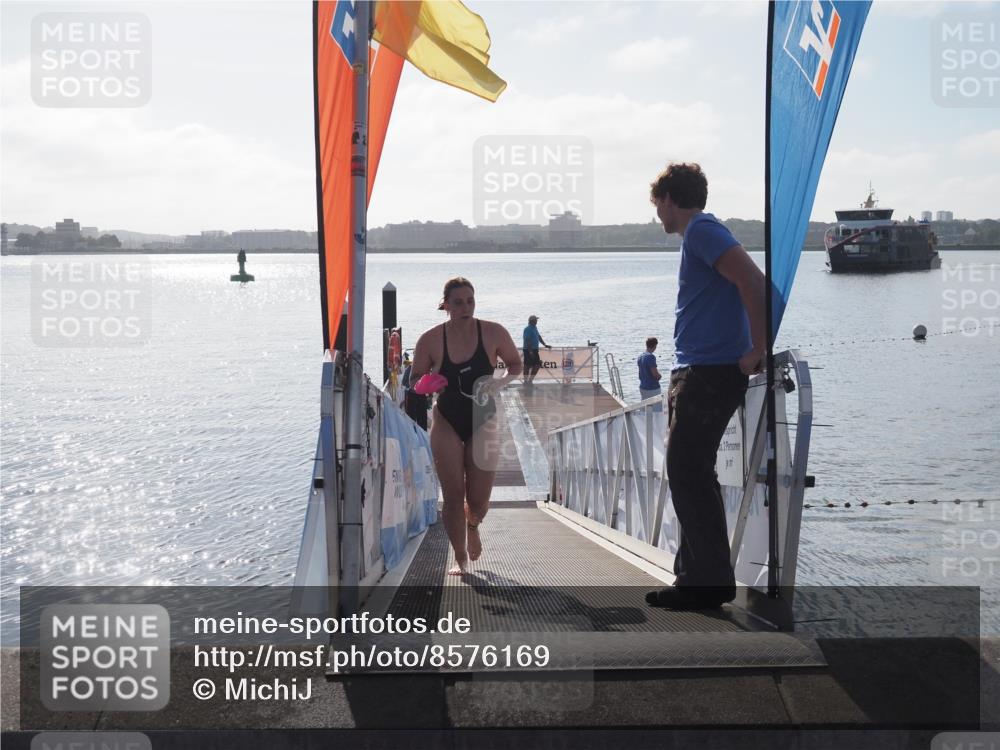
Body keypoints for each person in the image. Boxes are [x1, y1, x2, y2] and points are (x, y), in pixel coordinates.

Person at [645, 162, 766, 611]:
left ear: (671, 198)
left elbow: (753, 281)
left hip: (710, 372)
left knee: (688, 472)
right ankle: (697, 578)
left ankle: (705, 582)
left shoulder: (702, 231)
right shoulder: (700, 234)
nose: (657, 213)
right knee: (691, 474)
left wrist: (758, 347)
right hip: (697, 370)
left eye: (658, 203)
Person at [411, 277, 523, 575]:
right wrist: (427, 384)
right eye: (458, 302)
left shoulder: (493, 332)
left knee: (479, 500)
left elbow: (515, 364)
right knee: (452, 493)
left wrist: (499, 383)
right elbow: (414, 380)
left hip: (482, 418)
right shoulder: (431, 339)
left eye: (470, 301)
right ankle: (459, 557)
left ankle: (472, 525)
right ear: (445, 305)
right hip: (446, 419)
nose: (466, 307)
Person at [521, 315, 551, 385]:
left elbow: (538, 336)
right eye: (535, 320)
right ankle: (525, 381)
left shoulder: (535, 328)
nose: (537, 321)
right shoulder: (527, 329)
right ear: (531, 321)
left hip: (535, 350)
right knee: (527, 366)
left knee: (537, 365)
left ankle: (530, 381)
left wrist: (544, 344)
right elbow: (527, 340)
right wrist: (530, 351)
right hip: (528, 350)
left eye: (536, 320)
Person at [637, 337, 663, 401]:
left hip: (643, 387)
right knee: (657, 409)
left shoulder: (640, 356)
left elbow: (640, 375)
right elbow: (655, 375)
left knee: (644, 408)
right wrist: (660, 376)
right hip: (652, 388)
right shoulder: (651, 357)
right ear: (655, 346)